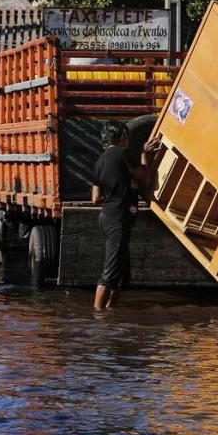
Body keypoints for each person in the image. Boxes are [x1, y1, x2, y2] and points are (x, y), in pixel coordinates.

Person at [90, 121, 163, 310]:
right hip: (118, 219)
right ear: (122, 137)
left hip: (106, 217)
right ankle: (98, 315)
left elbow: (95, 198)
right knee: (110, 271)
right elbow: (145, 181)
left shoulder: (100, 161)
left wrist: (118, 186)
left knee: (122, 273)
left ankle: (110, 311)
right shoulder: (122, 154)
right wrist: (145, 155)